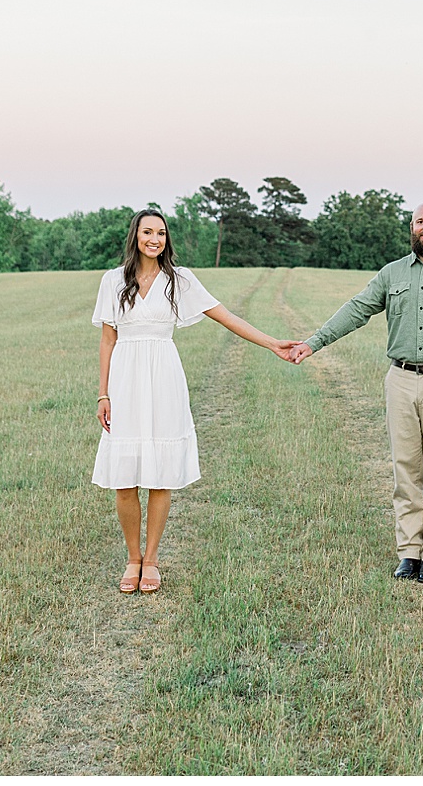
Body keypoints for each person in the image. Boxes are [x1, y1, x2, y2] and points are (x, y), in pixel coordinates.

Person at [92, 207, 299, 593]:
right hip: (125, 383)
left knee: (159, 474)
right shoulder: (112, 281)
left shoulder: (179, 280)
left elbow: (226, 316)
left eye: (161, 233)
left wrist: (272, 343)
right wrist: (103, 393)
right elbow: (108, 340)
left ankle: (151, 560)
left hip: (164, 379)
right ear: (135, 236)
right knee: (124, 477)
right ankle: (132, 557)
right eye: (147, 232)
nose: (154, 239)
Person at [287, 203, 423, 583]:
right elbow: (357, 309)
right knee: (405, 469)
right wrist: (314, 343)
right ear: (411, 228)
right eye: (420, 221)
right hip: (400, 380)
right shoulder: (391, 274)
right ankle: (409, 550)